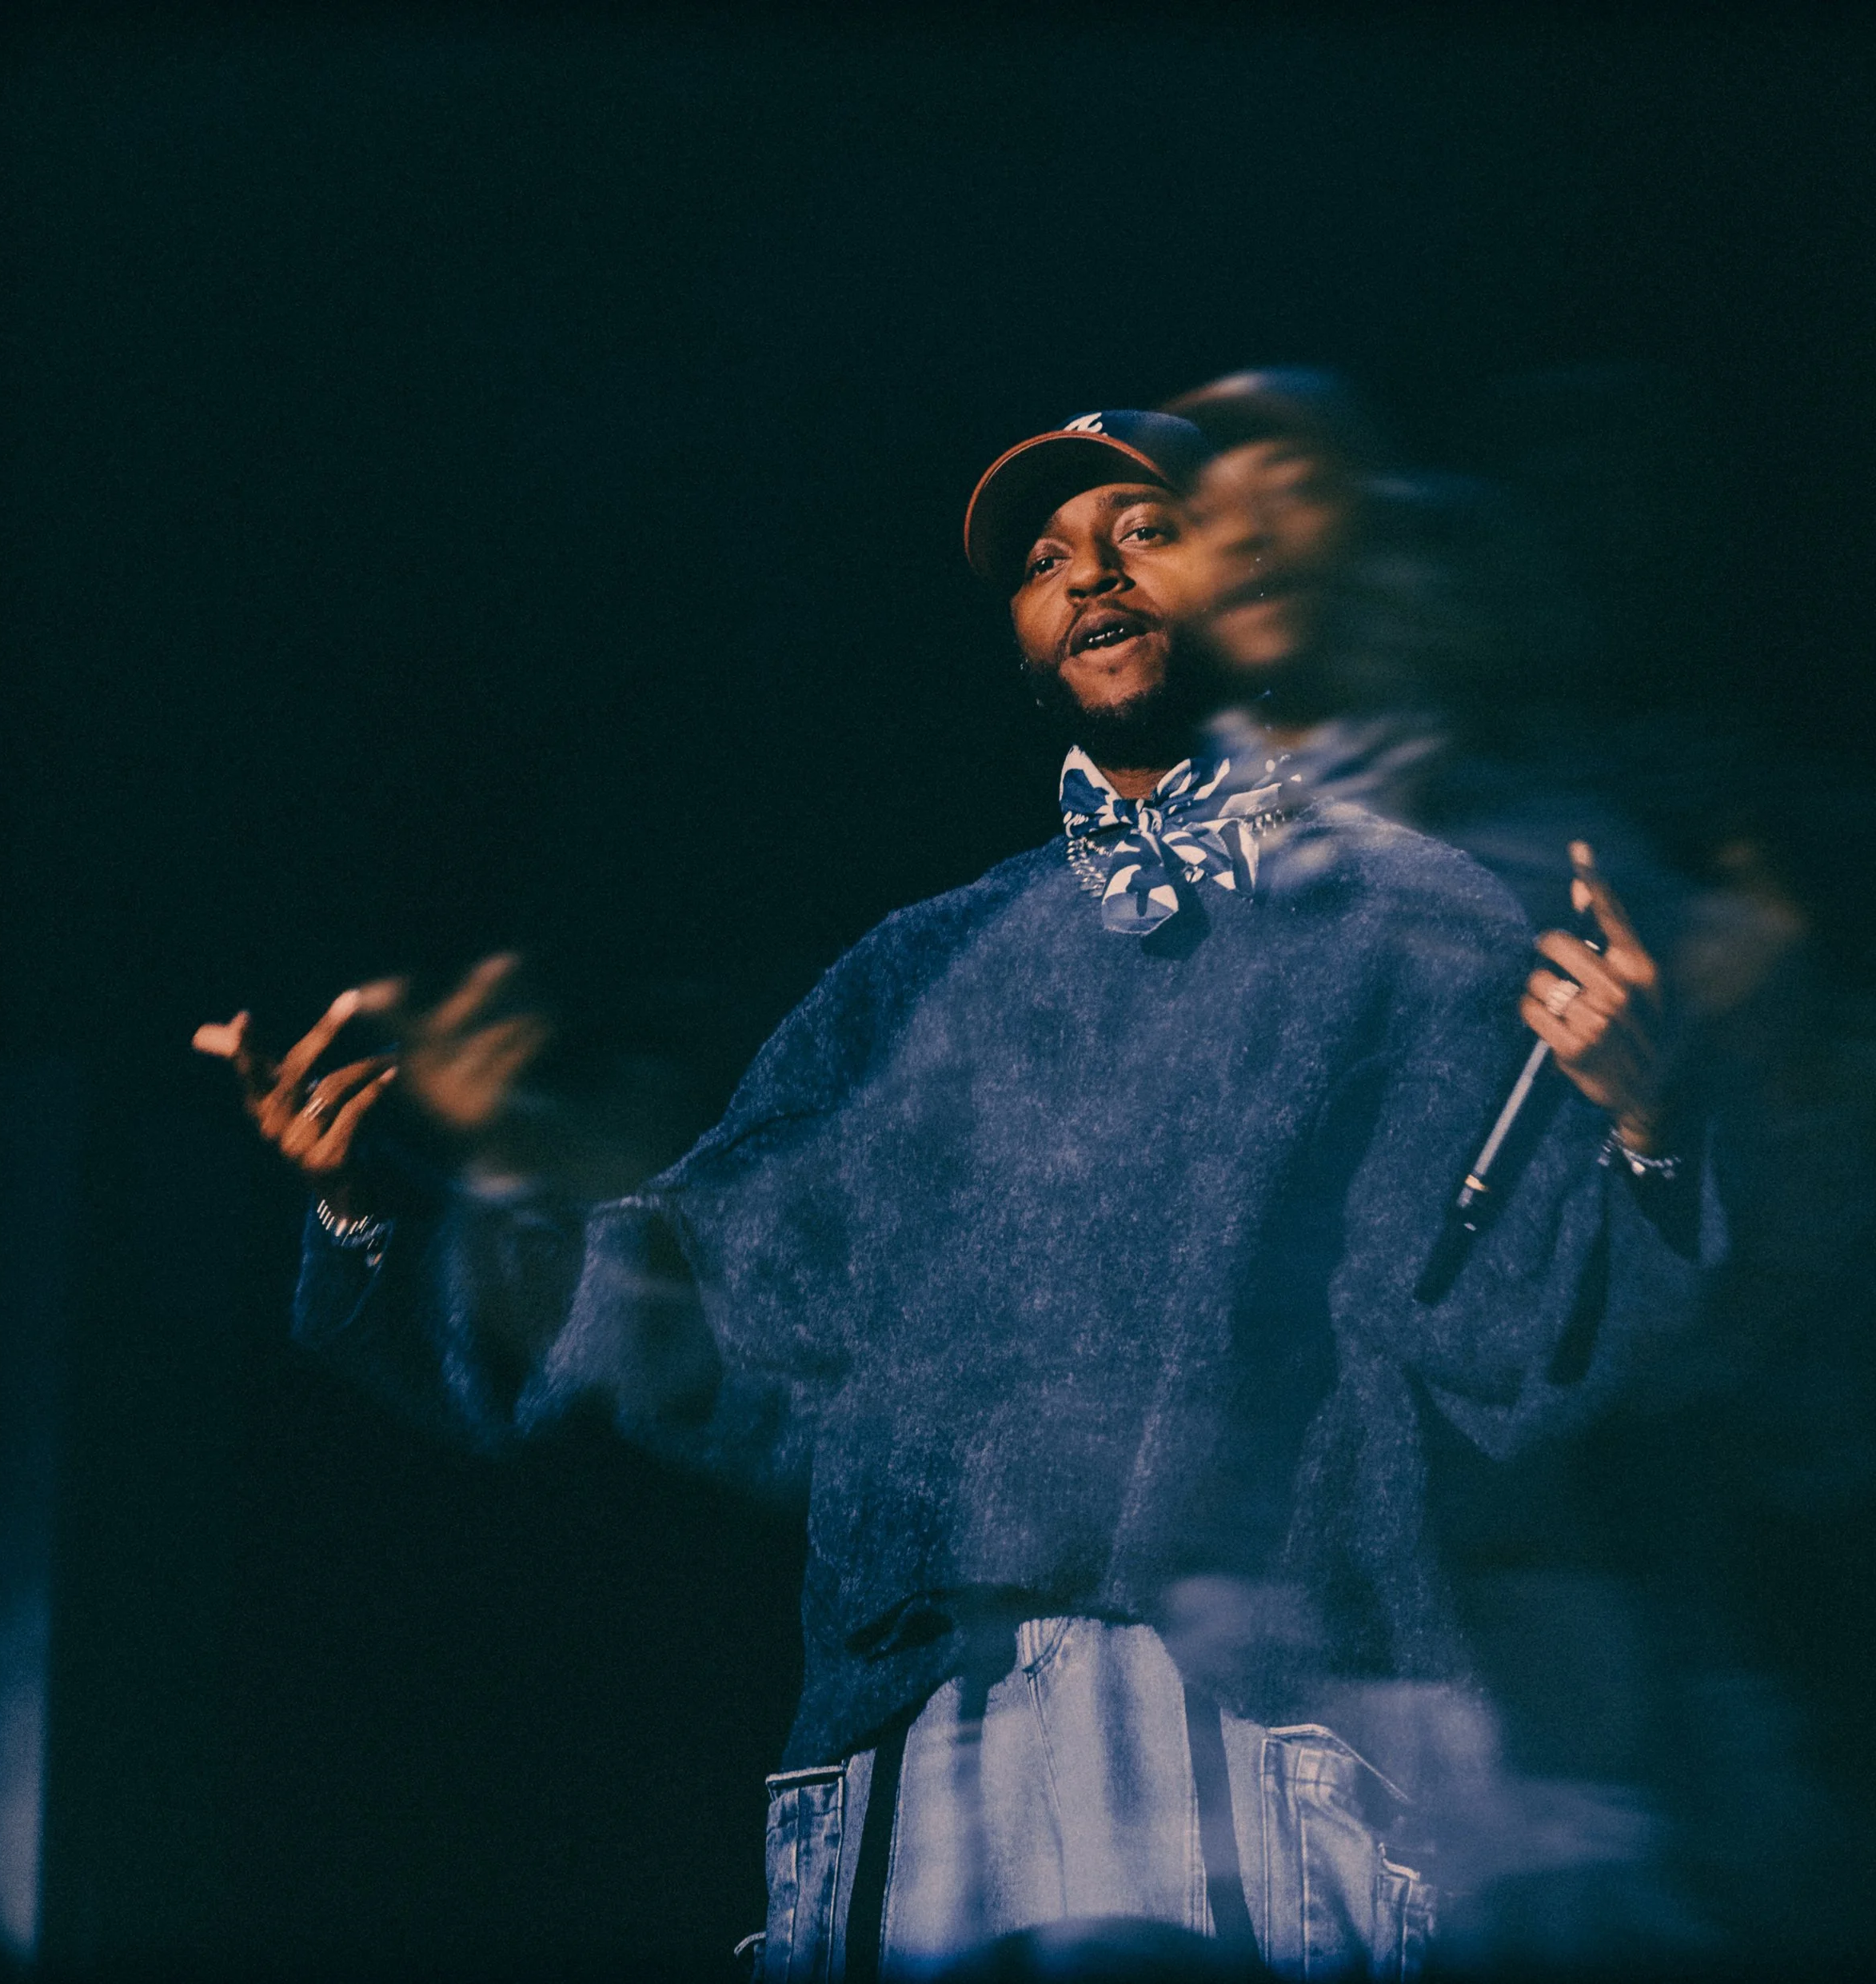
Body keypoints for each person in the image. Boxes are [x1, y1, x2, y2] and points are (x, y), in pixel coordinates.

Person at [195, 409, 1716, 1981]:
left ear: (1243, 576)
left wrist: (1639, 1123)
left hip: (1258, 1725)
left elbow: (1504, 1337)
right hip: (944, 1748)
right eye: (1044, 561)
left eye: (1136, 528)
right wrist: (392, 1220)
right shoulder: (922, 969)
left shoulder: (1405, 924)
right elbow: (704, 1295)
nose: (1088, 577)